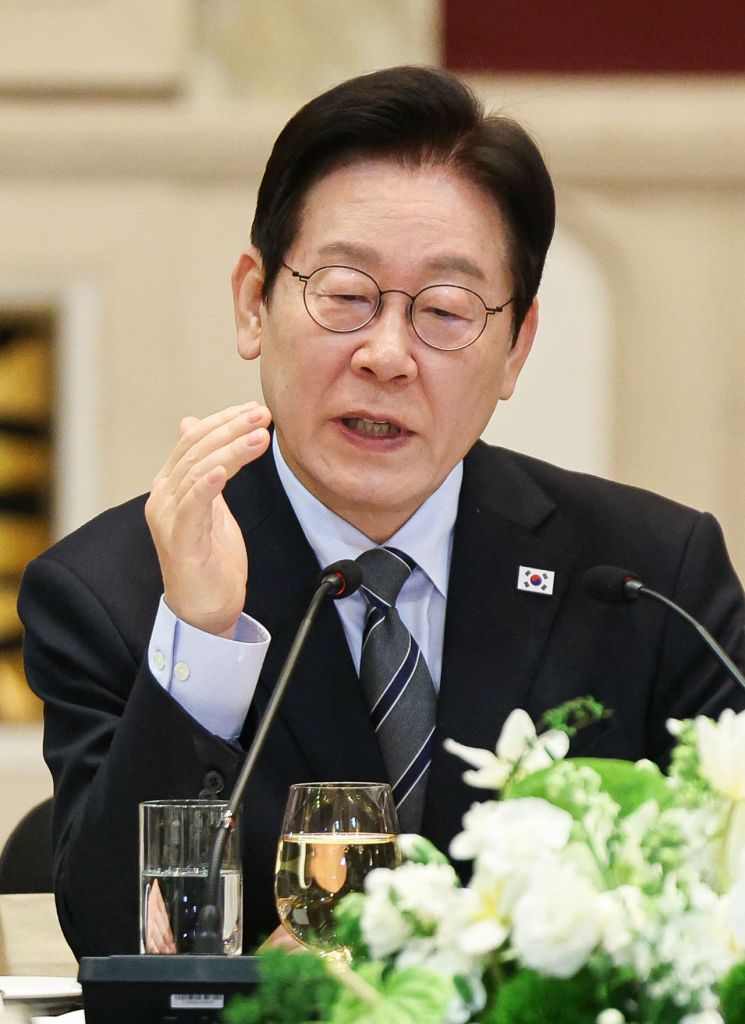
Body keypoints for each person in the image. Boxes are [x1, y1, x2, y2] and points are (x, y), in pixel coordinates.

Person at [18, 65, 745, 959]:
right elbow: (114, 948)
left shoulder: (648, 578)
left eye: (445, 310)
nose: (387, 355)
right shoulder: (110, 593)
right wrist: (203, 638)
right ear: (253, 304)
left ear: (515, 349)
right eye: (345, 295)